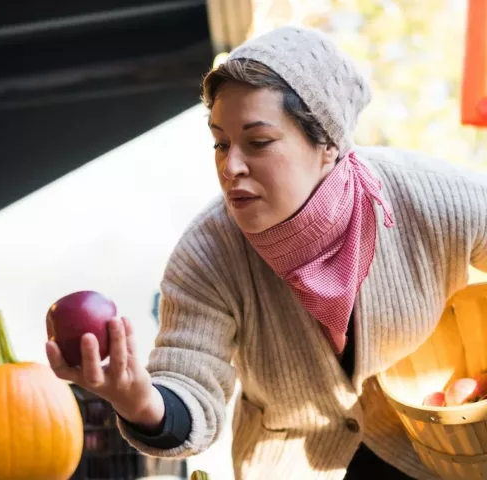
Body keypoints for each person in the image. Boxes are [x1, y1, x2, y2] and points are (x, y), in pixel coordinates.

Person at [46, 25, 487, 479]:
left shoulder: (428, 196)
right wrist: (138, 400)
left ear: (328, 145)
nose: (230, 166)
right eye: (220, 143)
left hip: (431, 456)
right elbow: (191, 383)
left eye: (257, 142)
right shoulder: (207, 255)